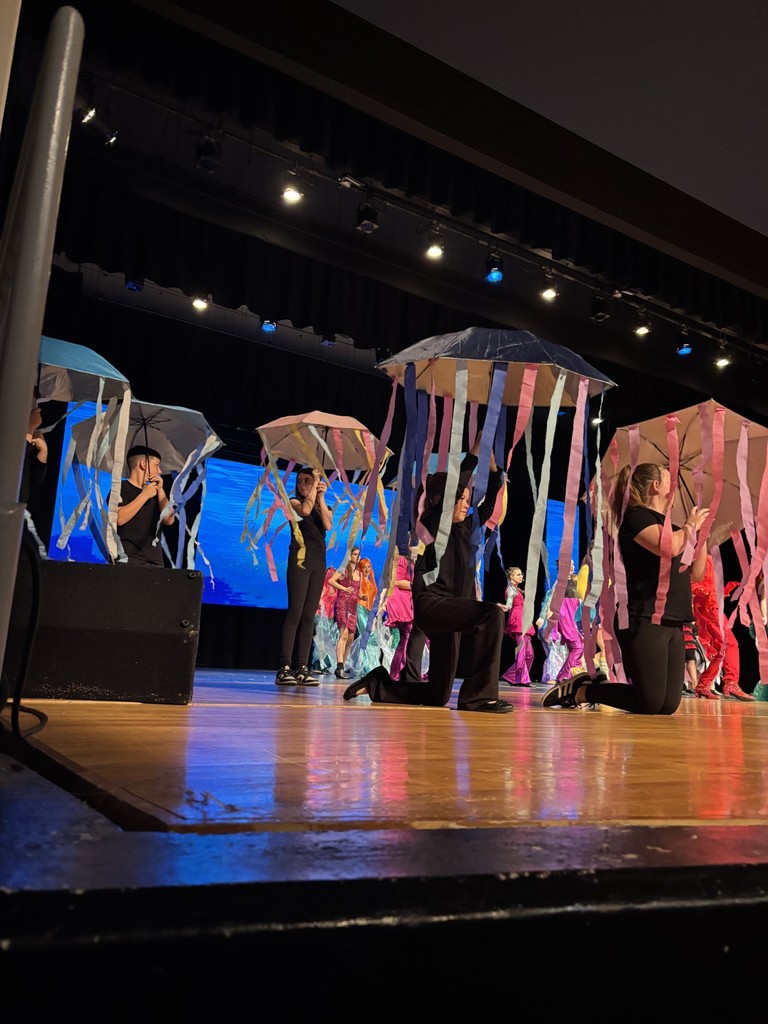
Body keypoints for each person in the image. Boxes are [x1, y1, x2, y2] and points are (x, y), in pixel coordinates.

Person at [343, 433, 514, 713]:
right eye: (460, 498)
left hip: (454, 611)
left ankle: (379, 683)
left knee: (437, 695)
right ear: (440, 500)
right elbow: (453, 492)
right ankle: (479, 698)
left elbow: (490, 505)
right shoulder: (433, 521)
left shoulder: (467, 527)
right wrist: (472, 454)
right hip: (432, 604)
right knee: (492, 614)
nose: (464, 503)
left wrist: (494, 468)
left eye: (467, 499)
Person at [542, 462, 708, 714]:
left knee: (667, 704)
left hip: (674, 619)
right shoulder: (637, 518)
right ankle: (583, 690)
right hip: (644, 617)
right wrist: (689, 528)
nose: (673, 485)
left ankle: (590, 685)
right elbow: (669, 548)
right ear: (656, 486)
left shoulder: (676, 530)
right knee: (649, 701)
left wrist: (701, 536)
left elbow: (696, 573)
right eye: (668, 479)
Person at [275, 466, 333, 686]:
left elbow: (327, 524)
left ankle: (303, 667)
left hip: (319, 561)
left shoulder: (321, 504)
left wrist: (321, 495)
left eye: (307, 481)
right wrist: (313, 489)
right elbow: (305, 511)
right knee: (296, 613)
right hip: (299, 558)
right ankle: (284, 667)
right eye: (300, 481)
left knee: (309, 616)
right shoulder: (294, 501)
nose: (302, 485)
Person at [117, 445, 176, 567]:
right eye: (156, 465)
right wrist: (144, 495)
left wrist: (160, 490)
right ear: (143, 464)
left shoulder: (156, 494)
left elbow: (169, 520)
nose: (159, 471)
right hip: (128, 557)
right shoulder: (121, 488)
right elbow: (119, 519)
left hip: (155, 560)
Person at [385, 543, 427, 682]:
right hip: (402, 600)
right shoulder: (403, 561)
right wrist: (417, 585)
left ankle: (403, 672)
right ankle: (401, 673)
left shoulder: (417, 563)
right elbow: (396, 581)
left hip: (410, 601)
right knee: (408, 636)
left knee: (409, 638)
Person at [499, 566, 536, 686]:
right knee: (522, 652)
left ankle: (510, 676)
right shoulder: (511, 590)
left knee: (529, 653)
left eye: (521, 574)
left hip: (523, 620)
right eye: (518, 574)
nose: (521, 576)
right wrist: (503, 607)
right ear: (511, 577)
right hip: (518, 620)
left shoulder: (516, 589)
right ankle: (522, 679)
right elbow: (509, 604)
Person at [329, 546, 361, 678]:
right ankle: (339, 666)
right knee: (344, 635)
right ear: (350, 556)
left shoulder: (358, 573)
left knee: (351, 637)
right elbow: (331, 580)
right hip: (343, 604)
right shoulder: (343, 569)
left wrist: (362, 597)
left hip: (353, 606)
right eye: (354, 554)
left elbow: (355, 591)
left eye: (358, 555)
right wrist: (344, 588)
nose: (356, 557)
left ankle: (344, 664)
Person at [348, 556, 382, 675]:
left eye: (369, 567)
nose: (367, 569)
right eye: (364, 567)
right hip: (360, 608)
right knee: (366, 636)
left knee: (370, 638)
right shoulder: (359, 578)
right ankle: (366, 666)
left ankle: (366, 664)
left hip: (369, 611)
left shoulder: (372, 582)